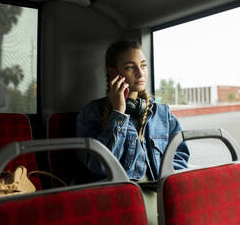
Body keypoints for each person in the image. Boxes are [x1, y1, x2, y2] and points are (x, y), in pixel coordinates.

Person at [76, 40, 190, 224]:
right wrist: (118, 113)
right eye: (130, 67)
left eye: (143, 65)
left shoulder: (163, 113)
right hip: (116, 200)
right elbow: (99, 166)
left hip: (158, 196)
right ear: (113, 72)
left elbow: (180, 157)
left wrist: (167, 186)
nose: (140, 73)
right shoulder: (92, 112)